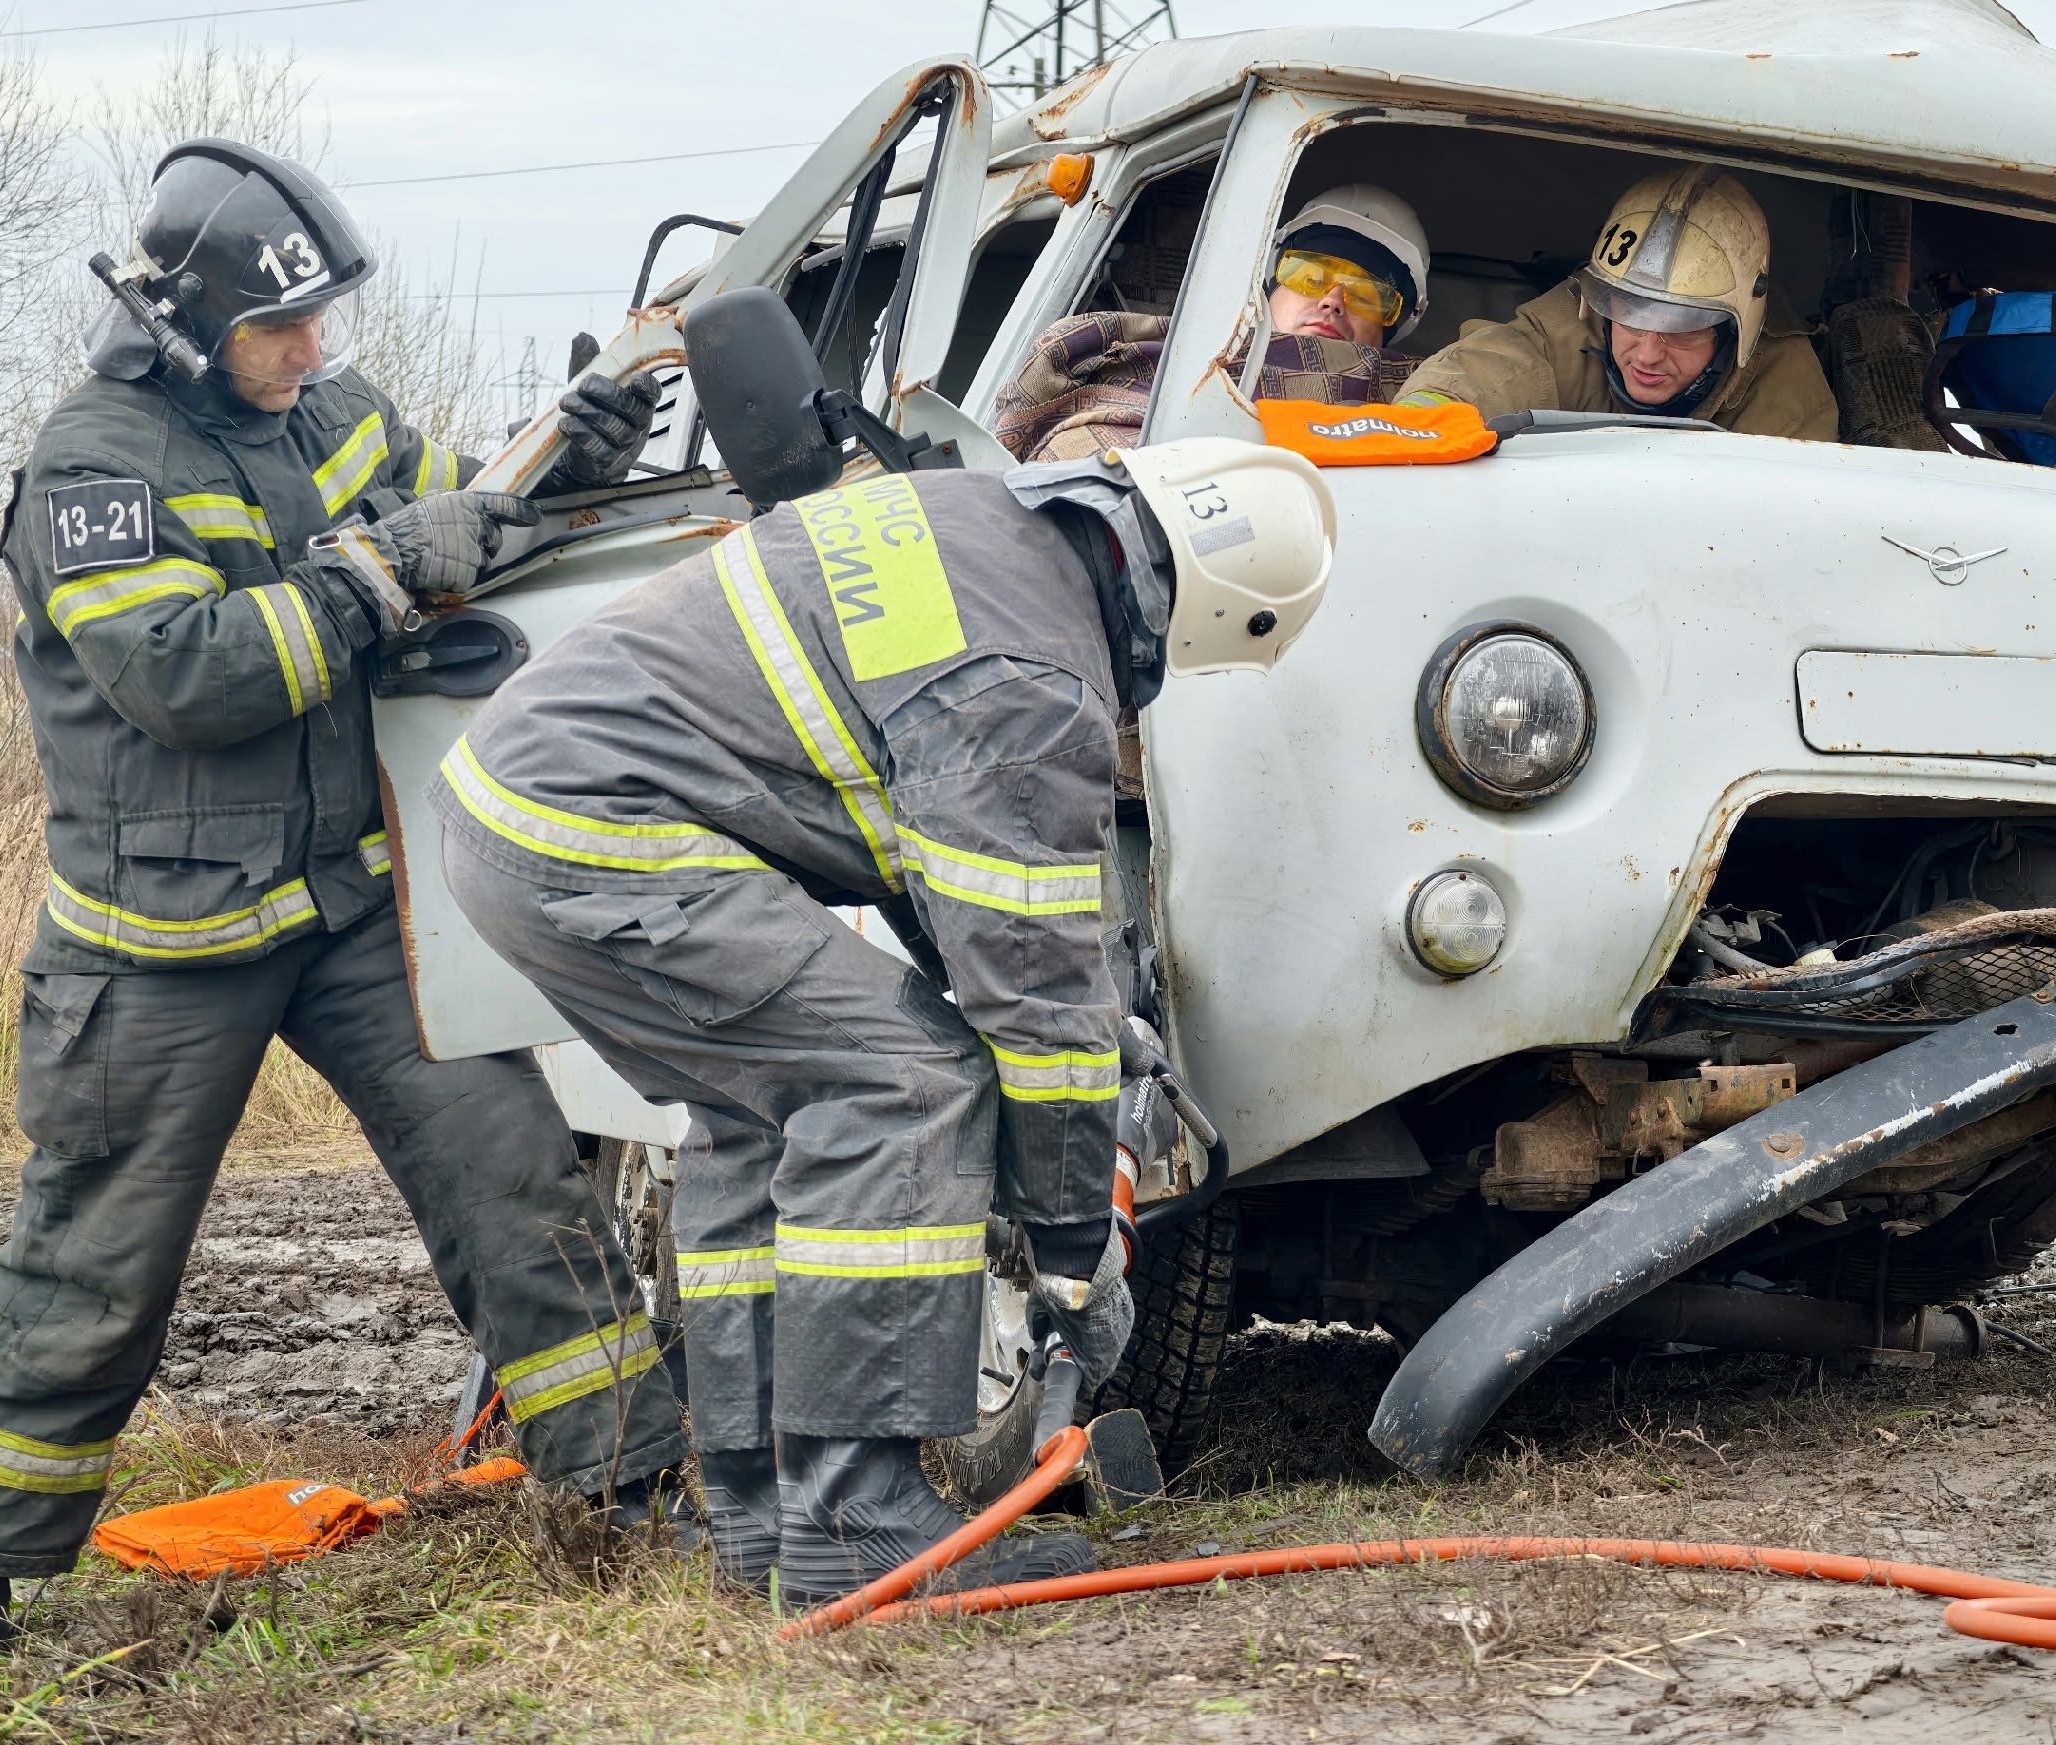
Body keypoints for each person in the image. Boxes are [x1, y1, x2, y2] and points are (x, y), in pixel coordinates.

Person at [0, 138, 687, 1641]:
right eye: (280, 326)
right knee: (96, 1262)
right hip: (161, 947)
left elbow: (466, 514)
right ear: (181, 327)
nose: (314, 349)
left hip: (350, 913)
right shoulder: (93, 467)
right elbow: (184, 679)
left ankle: (633, 1491)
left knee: (517, 1179)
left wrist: (572, 455)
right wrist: (374, 582)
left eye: (322, 319)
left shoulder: (328, 412)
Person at [434, 424, 1334, 1604]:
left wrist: (1090, 1025)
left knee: (763, 1115)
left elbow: (936, 877)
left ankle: (763, 1510)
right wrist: (1076, 1254)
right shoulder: (1028, 682)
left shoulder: (968, 523)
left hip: (516, 811)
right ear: (1210, 617)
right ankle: (855, 1514)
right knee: (900, 1083)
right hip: (598, 834)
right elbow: (1029, 998)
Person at [993, 183, 1432, 462]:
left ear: (1392, 331)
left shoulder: (1422, 412)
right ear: (1268, 287)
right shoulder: (1154, 365)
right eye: (1310, 275)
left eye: (1368, 295)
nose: (1333, 301)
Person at [1398, 164, 1838, 440]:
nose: (1646, 355)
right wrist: (1418, 425)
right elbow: (1490, 367)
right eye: (1629, 315)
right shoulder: (1573, 321)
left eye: (1682, 330)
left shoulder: (1790, 402)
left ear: (1735, 331)